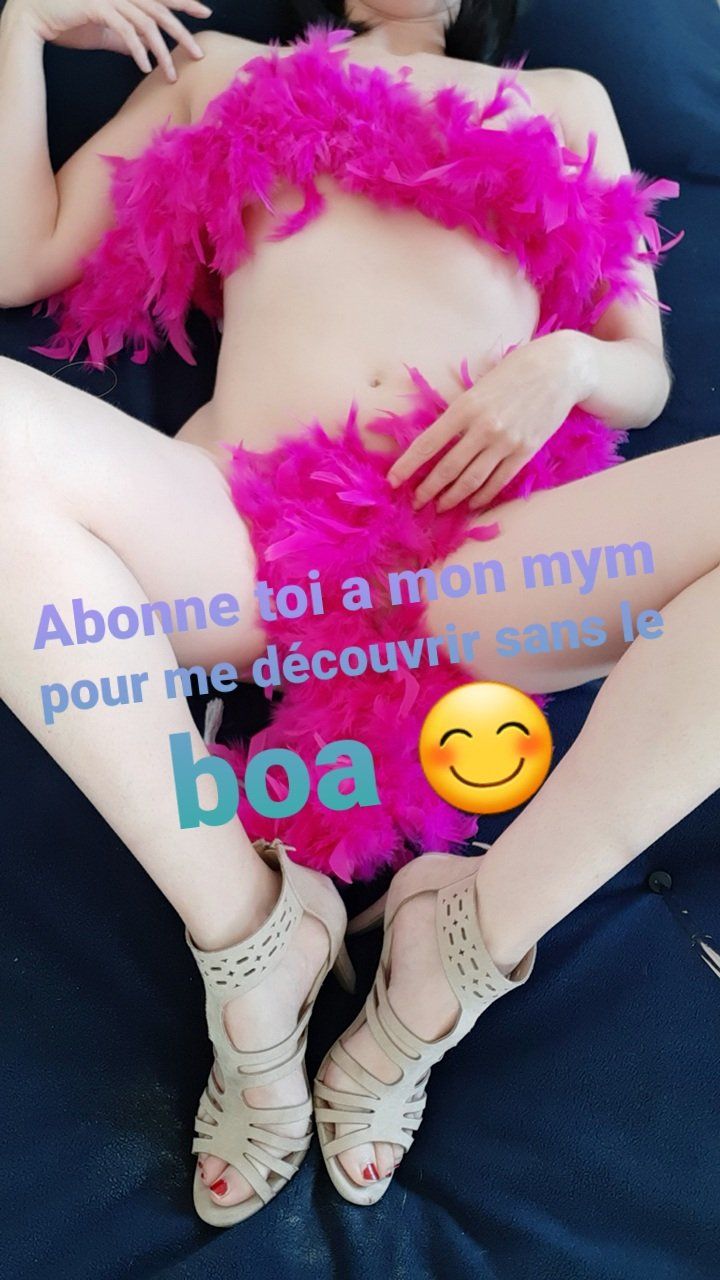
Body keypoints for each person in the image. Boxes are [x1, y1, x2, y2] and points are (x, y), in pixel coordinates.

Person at [0, 0, 716, 1224]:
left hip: (483, 565)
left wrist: (569, 365)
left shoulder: (567, 103)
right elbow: (20, 259)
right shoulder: (219, 70)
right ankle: (249, 932)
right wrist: (15, 24)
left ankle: (460, 948)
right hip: (241, 539)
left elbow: (641, 371)